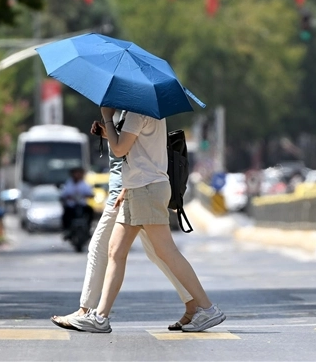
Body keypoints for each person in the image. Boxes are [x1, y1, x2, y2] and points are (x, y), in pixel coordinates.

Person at [68, 107, 225, 334]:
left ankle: (208, 309)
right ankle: (100, 317)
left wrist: (107, 119)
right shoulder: (147, 111)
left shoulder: (137, 113)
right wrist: (108, 132)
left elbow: (121, 149)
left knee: (166, 251)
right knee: (115, 251)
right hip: (136, 188)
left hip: (147, 188)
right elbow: (135, 147)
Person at [60, 167, 94, 236]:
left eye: (79, 173)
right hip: (72, 206)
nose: (77, 175)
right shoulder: (68, 184)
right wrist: (68, 197)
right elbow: (63, 194)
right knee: (65, 215)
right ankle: (66, 230)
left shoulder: (84, 184)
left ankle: (88, 228)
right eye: (76, 173)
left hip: (82, 205)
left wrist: (87, 196)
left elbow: (90, 193)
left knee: (90, 211)